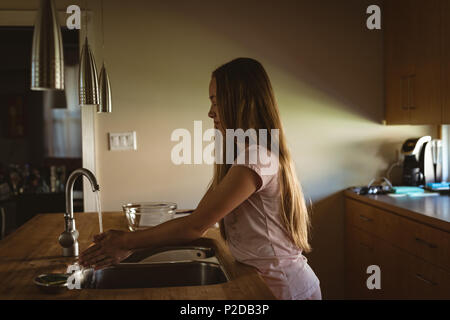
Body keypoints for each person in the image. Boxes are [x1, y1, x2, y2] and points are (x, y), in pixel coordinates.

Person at [79, 57, 321, 300]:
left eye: (216, 101)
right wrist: (128, 243)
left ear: (240, 101)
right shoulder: (244, 155)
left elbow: (195, 226)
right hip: (268, 283)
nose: (210, 112)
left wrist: (126, 242)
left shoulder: (256, 159)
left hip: (285, 288)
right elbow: (198, 217)